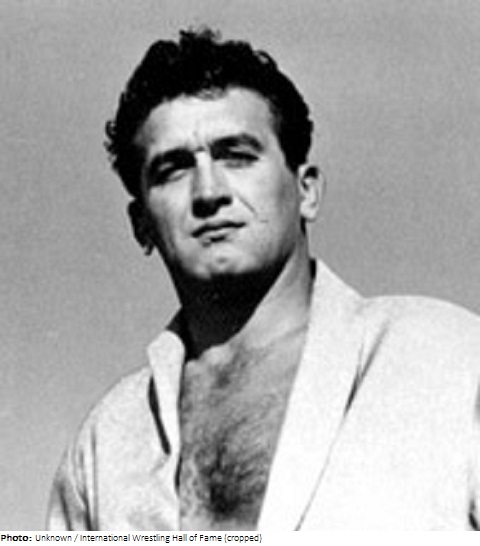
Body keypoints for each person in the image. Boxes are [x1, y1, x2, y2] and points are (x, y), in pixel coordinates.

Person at [48, 28, 480, 531]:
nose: (208, 192)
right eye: (173, 169)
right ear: (141, 224)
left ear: (306, 191)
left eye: (236, 155)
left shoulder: (445, 358)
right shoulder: (105, 444)